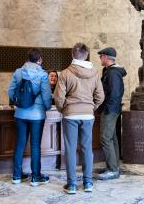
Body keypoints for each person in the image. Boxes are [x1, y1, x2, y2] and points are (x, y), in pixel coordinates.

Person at [54, 43, 104, 194]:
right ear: (86, 55)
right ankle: (88, 183)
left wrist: (64, 109)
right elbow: (100, 96)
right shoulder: (95, 73)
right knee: (86, 148)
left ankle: (71, 185)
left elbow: (58, 98)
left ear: (72, 54)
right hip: (88, 115)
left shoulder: (65, 73)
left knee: (70, 149)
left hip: (70, 114)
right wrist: (91, 108)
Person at [8, 48, 52, 186]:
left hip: (20, 113)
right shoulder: (42, 74)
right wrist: (47, 107)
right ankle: (35, 177)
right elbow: (46, 95)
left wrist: (18, 102)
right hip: (37, 115)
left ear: (27, 58)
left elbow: (10, 91)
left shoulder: (18, 72)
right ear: (40, 60)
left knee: (20, 144)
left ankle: (16, 176)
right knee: (35, 145)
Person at [97, 47, 126, 180]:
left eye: (101, 56)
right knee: (112, 138)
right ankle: (112, 165)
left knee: (105, 138)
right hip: (111, 109)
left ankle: (113, 170)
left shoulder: (113, 73)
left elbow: (114, 94)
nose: (100, 59)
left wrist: (106, 109)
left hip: (110, 110)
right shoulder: (109, 71)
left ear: (106, 57)